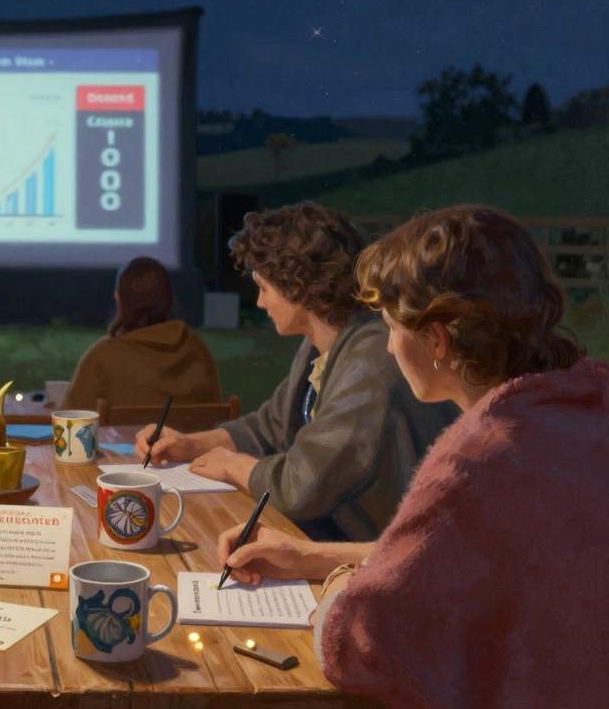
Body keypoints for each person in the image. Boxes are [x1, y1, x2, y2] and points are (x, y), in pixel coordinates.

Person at [216, 205, 609, 708]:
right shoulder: (580, 408)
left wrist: (338, 584)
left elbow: (361, 644)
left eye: (391, 327)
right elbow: (444, 559)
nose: (388, 348)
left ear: (437, 339)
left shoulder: (478, 460)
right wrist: (308, 557)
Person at [135, 202, 458, 541]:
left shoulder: (370, 361)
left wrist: (233, 465)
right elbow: (270, 428)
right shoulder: (322, 343)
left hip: (380, 550)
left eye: (263, 288)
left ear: (297, 287)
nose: (260, 302)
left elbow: (302, 485)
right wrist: (190, 444)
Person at [58, 256, 220, 411]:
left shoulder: (102, 356)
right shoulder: (197, 348)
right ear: (168, 298)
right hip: (190, 433)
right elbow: (215, 412)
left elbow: (69, 420)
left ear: (120, 299)